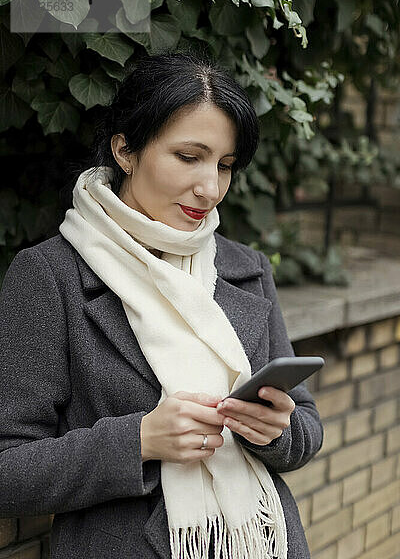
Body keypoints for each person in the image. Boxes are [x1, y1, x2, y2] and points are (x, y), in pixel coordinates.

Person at [0, 50, 323, 559]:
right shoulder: (49, 277)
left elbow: (305, 426)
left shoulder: (246, 268)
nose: (210, 188)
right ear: (125, 150)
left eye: (225, 165)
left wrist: (277, 432)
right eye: (189, 158)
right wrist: (139, 440)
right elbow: (8, 469)